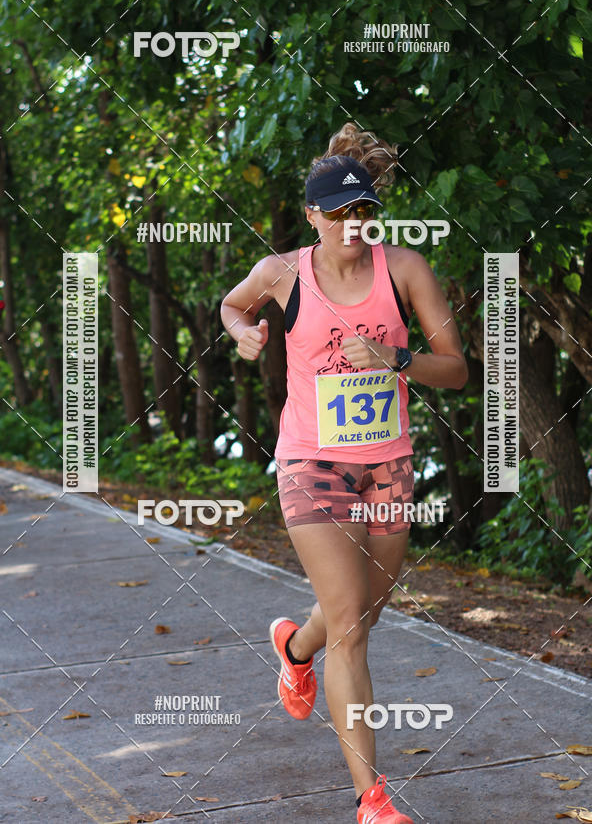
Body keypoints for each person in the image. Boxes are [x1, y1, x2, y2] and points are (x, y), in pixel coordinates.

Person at [220, 122, 468, 823]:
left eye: (364, 213)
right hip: (310, 462)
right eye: (338, 215)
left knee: (362, 611)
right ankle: (373, 801)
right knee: (353, 625)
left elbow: (454, 369)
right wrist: (243, 332)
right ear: (312, 216)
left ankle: (296, 649)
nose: (353, 228)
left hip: (386, 464)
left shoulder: (406, 270)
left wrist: (396, 361)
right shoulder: (283, 273)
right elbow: (233, 303)